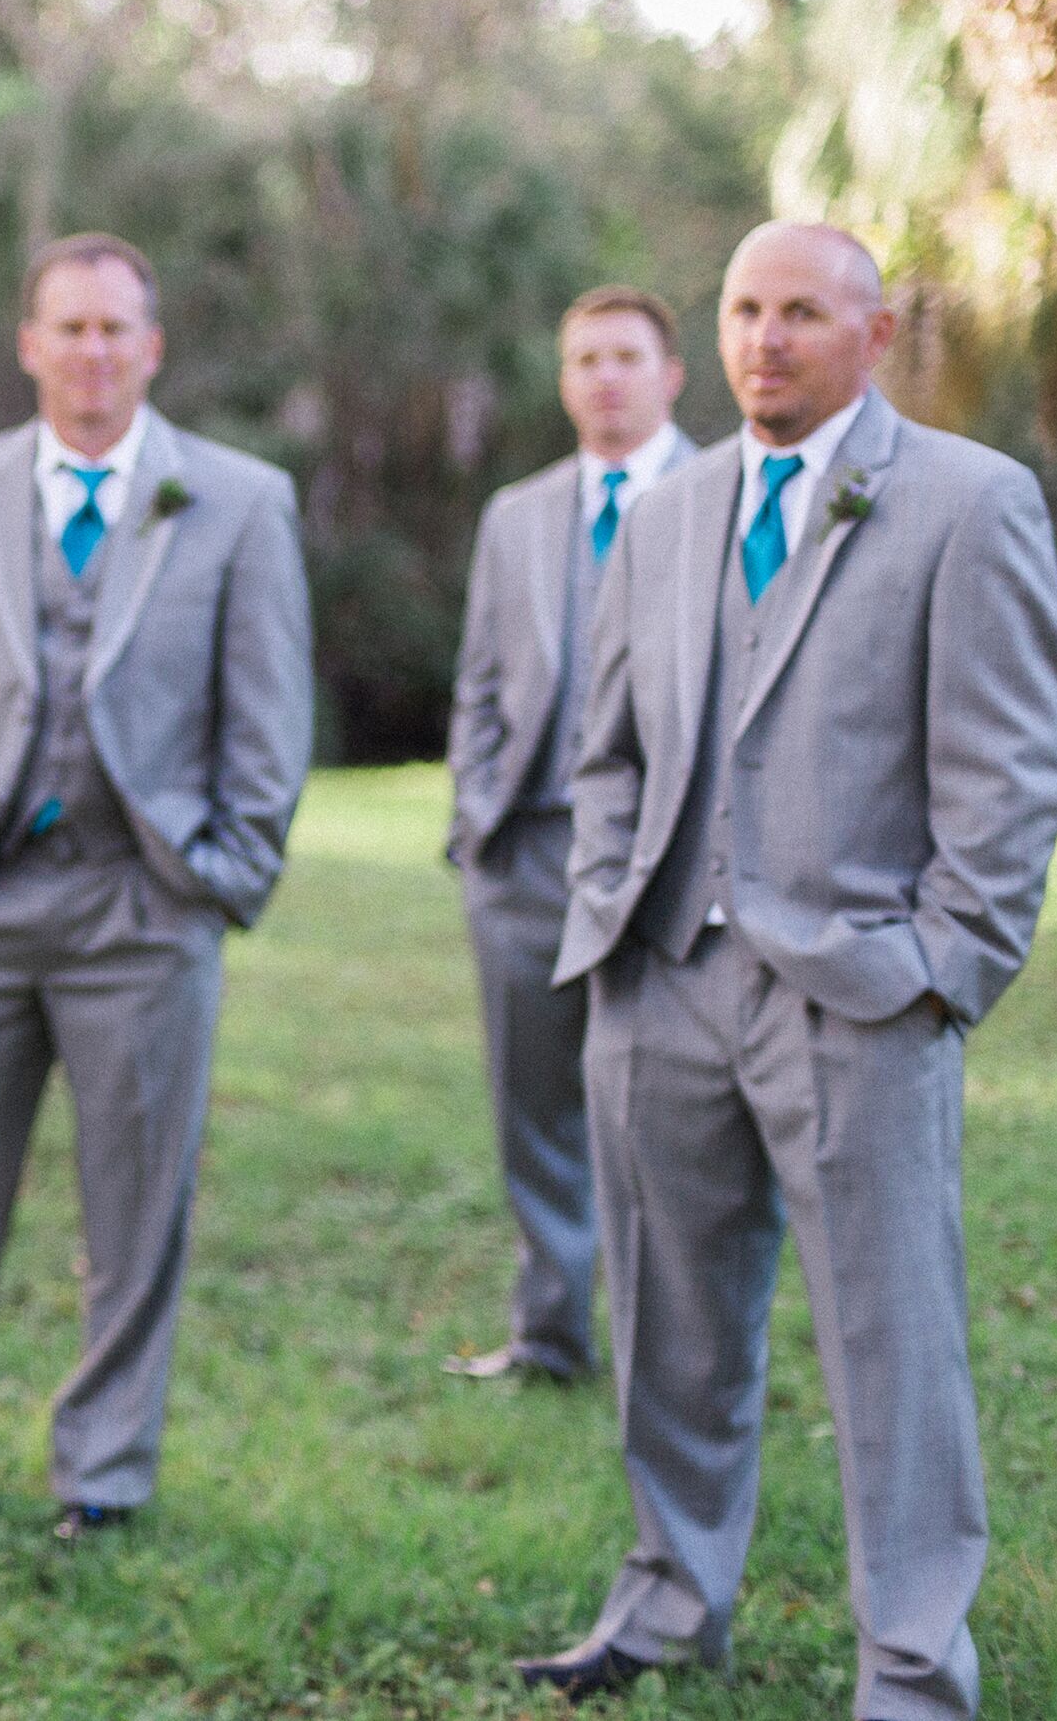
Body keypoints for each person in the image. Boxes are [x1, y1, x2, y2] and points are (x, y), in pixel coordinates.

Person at [512, 223, 1057, 1720]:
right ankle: (670, 1599)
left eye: (804, 313)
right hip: (662, 982)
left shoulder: (970, 502)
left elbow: (1011, 776)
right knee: (670, 1329)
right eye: (747, 310)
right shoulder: (669, 511)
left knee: (894, 1352)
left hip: (862, 993)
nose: (768, 339)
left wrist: (943, 964)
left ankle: (910, 1667)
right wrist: (614, 920)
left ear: (875, 333)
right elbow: (610, 749)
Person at [0, 233, 310, 1540]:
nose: (94, 352)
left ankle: (101, 1469)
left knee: (135, 1204)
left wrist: (220, 876)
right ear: (29, 343)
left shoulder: (241, 498)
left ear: (150, 348)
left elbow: (267, 719)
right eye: (71, 328)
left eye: (118, 330)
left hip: (140, 909)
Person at [439, 286, 690, 1385]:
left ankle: (671, 1350)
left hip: (667, 858)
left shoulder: (723, 495)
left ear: (671, 373)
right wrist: (473, 821)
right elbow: (482, 681)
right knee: (532, 1105)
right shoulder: (517, 512)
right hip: (525, 852)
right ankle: (549, 1335)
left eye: (626, 356)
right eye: (583, 356)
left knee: (664, 1116)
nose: (604, 376)